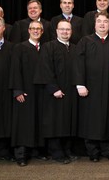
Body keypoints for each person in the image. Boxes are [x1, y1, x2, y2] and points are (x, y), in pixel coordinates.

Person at [75, 11, 109, 162]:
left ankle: (107, 150)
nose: (102, 24)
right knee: (91, 120)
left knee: (107, 120)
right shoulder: (85, 41)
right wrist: (80, 84)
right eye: (99, 22)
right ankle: (93, 152)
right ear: (94, 24)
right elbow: (78, 64)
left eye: (105, 22)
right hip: (90, 89)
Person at [34, 20, 78, 164]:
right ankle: (57, 152)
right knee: (55, 123)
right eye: (62, 29)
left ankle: (67, 149)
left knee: (67, 122)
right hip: (54, 92)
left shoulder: (75, 48)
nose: (65, 32)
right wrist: (54, 89)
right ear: (57, 31)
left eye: (68, 30)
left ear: (71, 31)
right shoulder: (48, 47)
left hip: (70, 92)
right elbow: (45, 69)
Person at [9, 21, 48, 166]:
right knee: (23, 123)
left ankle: (36, 151)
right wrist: (17, 90)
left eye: (39, 29)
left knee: (38, 121)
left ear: (42, 32)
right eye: (33, 29)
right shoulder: (20, 47)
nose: (36, 31)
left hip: (40, 91)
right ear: (28, 30)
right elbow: (15, 70)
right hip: (25, 91)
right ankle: (21, 155)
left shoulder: (45, 48)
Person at [0, 17, 14, 162]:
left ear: (3, 28)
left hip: (6, 90)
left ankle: (3, 150)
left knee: (5, 119)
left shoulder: (11, 47)